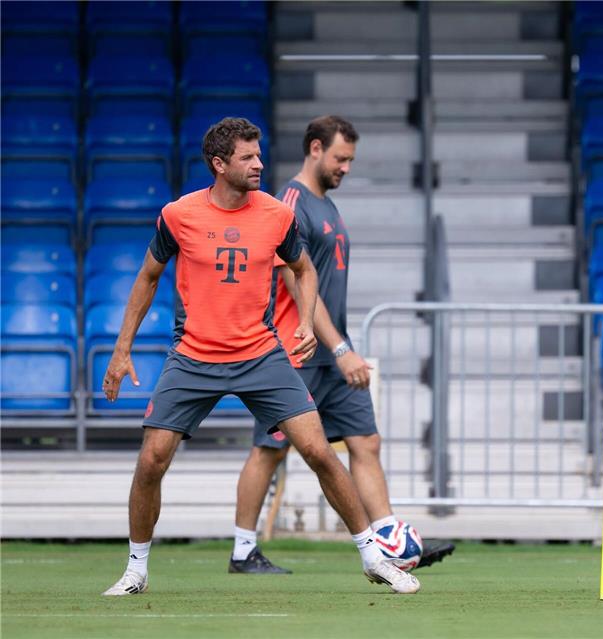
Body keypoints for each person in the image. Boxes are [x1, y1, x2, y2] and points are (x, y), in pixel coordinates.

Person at [101, 117, 419, 596]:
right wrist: (121, 350)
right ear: (219, 164)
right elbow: (147, 276)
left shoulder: (276, 215)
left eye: (259, 154)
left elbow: (304, 270)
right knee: (152, 460)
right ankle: (136, 570)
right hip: (193, 356)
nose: (259, 164)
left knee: (318, 451)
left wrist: (306, 322)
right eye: (248, 157)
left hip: (261, 354)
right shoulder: (178, 215)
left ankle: (375, 558)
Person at [228, 115, 455, 574]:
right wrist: (340, 349)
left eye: (350, 160)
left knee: (365, 441)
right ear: (315, 149)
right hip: (298, 353)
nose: (346, 168)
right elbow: (296, 283)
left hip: (330, 351)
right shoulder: (291, 202)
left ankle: (389, 538)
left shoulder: (325, 204)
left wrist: (339, 348)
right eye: (340, 158)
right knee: (269, 448)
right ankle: (242, 550)